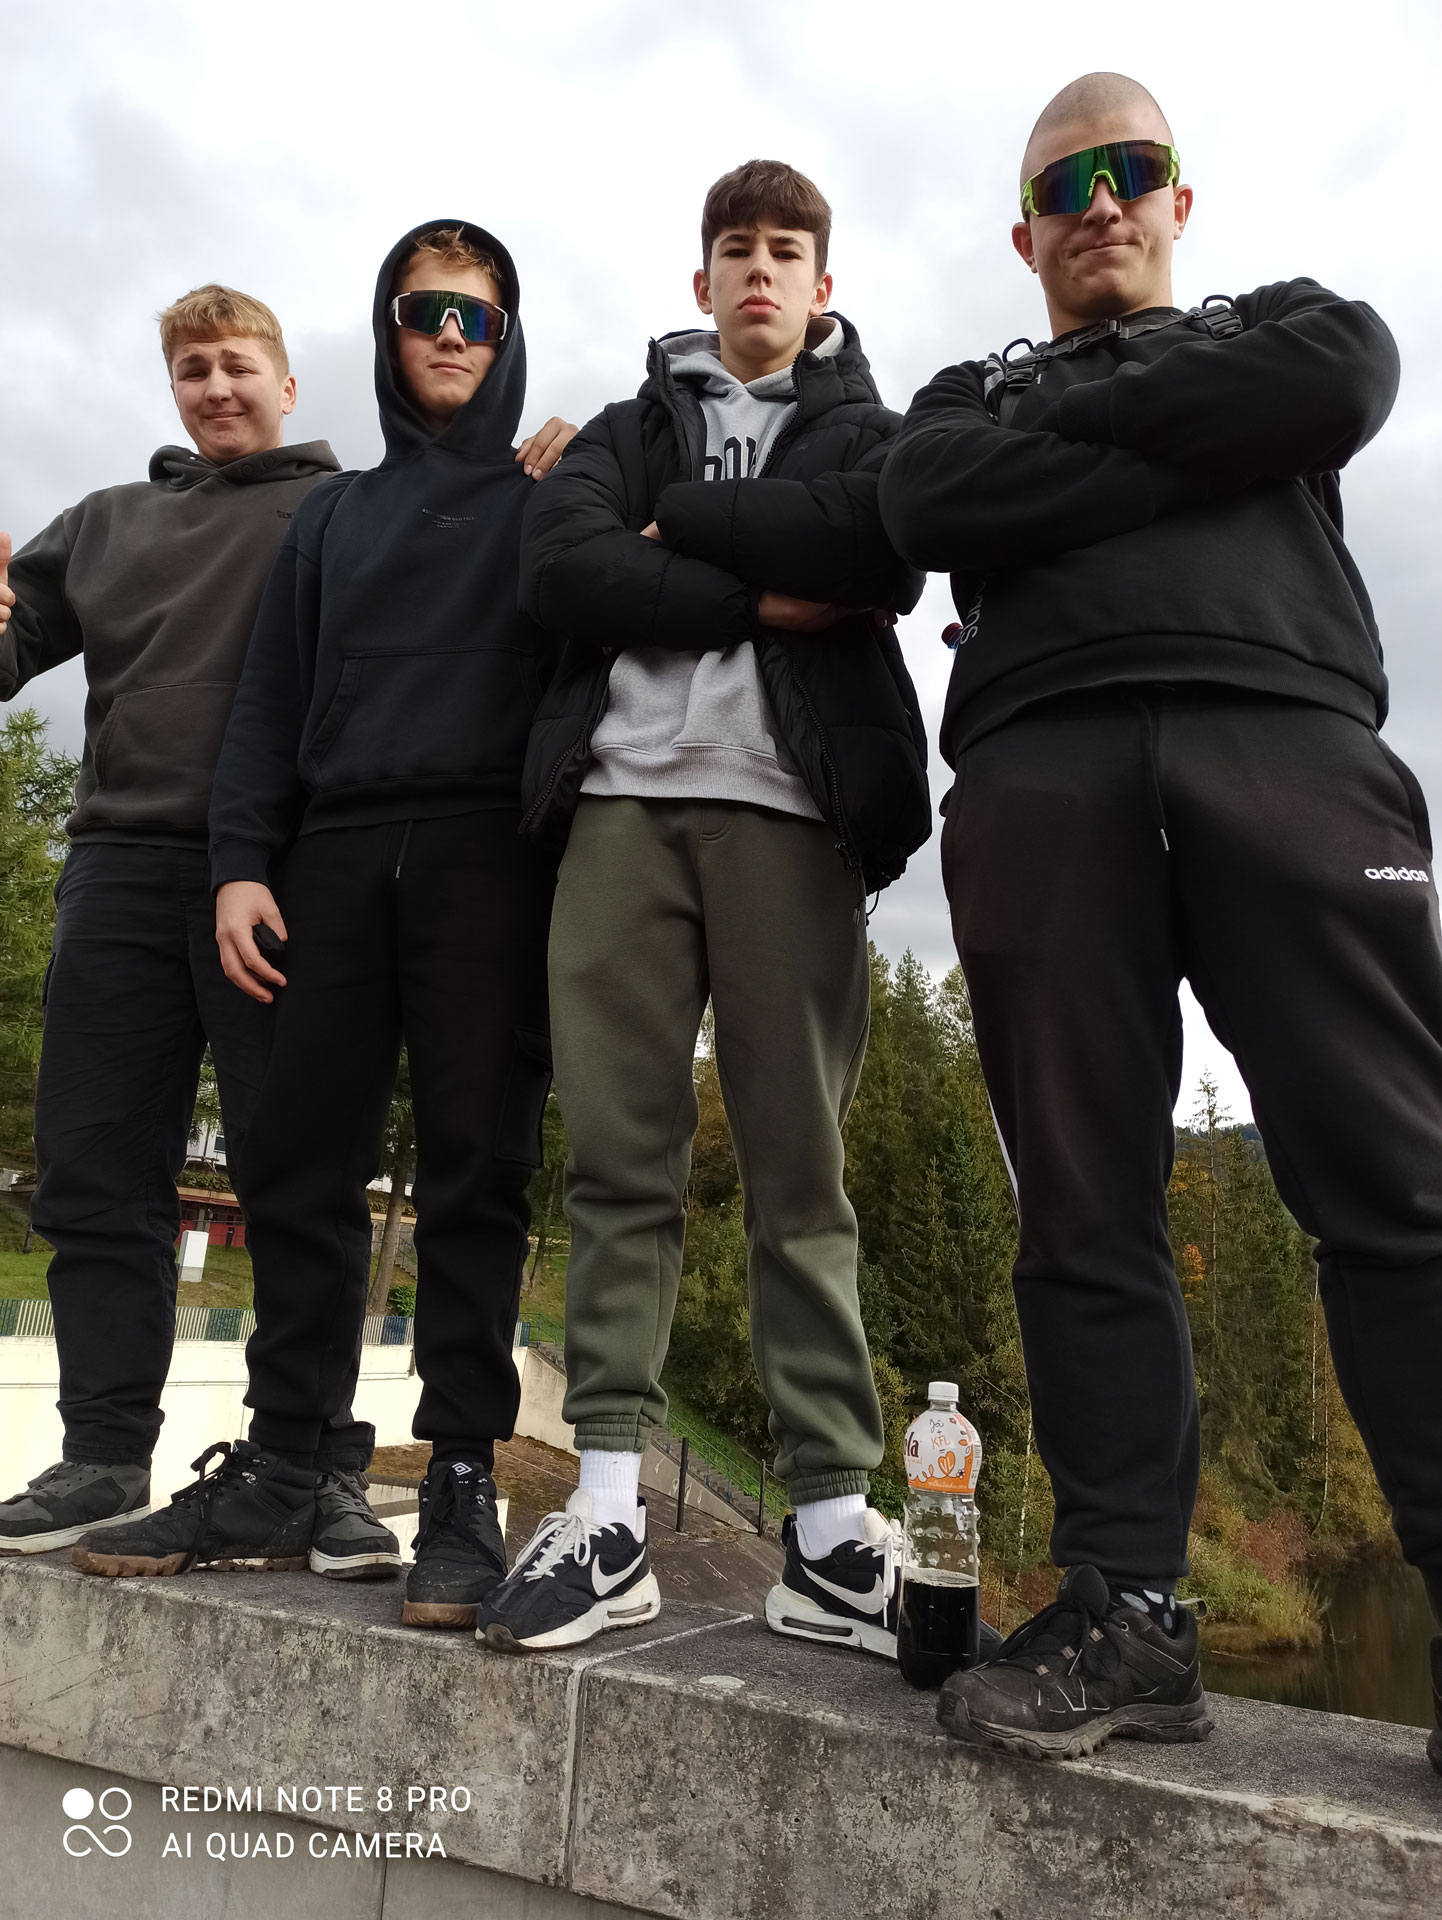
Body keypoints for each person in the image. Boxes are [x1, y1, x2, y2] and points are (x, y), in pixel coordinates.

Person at [879, 73, 1442, 1772]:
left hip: (1292, 748)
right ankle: (1129, 1614)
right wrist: (1197, 441)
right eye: (1063, 187)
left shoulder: (1283, 327)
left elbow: (1344, 378)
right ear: (1023, 236)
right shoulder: (969, 393)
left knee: (1401, 1192)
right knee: (1080, 1207)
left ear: (1178, 199)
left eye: (1129, 172)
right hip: (1040, 780)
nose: (1099, 203)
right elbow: (924, 503)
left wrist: (1074, 456)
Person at [69, 222, 575, 1627]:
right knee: (296, 1163)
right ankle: (287, 1459)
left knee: (475, 1168)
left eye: (475, 316)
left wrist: (603, 455)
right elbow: (268, 704)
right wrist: (241, 863)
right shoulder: (332, 517)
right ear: (385, 331)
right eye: (424, 312)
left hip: (489, 857)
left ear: (506, 334)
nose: (449, 337)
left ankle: (461, 1477)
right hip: (329, 858)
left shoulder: (552, 495)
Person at [476, 160, 931, 1657]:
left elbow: (872, 552)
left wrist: (670, 542)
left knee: (801, 1172)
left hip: (791, 815)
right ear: (701, 280)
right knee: (620, 1160)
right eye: (735, 248)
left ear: (821, 282)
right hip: (616, 811)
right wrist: (757, 581)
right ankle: (607, 1504)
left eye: (785, 249)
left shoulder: (872, 430)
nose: (758, 270)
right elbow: (560, 568)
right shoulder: (621, 428)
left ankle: (829, 1530)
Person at [0, 288, 371, 1558]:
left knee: (298, 1171)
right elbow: (13, 652)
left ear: (287, 382)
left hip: (280, 874)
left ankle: (314, 1463)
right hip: (118, 865)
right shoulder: (106, 522)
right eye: (192, 368)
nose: (215, 386)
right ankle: (103, 1456)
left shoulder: (343, 509)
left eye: (238, 364)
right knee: (96, 1169)